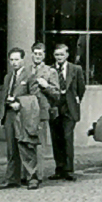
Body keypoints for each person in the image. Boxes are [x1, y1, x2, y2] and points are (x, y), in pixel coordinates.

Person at [0, 48, 42, 190]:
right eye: (12, 60)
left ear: (23, 60)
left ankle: (32, 177)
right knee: (11, 149)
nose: (14, 62)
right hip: (10, 115)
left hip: (23, 114)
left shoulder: (30, 75)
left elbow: (35, 97)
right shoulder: (8, 77)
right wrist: (2, 116)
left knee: (26, 145)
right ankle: (12, 178)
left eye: (17, 59)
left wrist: (20, 103)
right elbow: (4, 96)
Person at [47, 43, 86, 181]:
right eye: (57, 55)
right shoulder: (49, 69)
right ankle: (59, 168)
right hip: (55, 108)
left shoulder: (76, 69)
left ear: (67, 55)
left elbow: (81, 88)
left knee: (67, 138)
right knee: (56, 139)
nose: (59, 57)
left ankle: (69, 170)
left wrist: (74, 102)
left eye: (62, 54)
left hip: (69, 108)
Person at [29, 42, 59, 182]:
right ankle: (27, 174)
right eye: (35, 53)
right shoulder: (27, 70)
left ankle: (38, 175)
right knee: (26, 143)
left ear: (44, 55)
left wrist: (46, 86)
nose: (37, 56)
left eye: (40, 54)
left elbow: (57, 93)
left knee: (39, 144)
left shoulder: (50, 71)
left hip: (41, 111)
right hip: (26, 111)